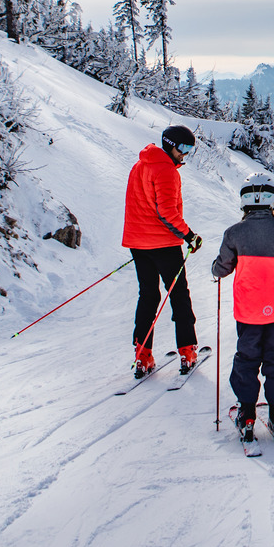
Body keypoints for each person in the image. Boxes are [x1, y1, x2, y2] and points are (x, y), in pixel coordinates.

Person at [212, 174, 274, 442]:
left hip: (248, 311)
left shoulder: (234, 232)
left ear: (244, 202)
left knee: (247, 359)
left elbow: (222, 267)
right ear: (272, 202)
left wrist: (215, 269)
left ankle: (247, 414)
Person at [121, 125, 203, 377]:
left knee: (148, 296)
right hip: (164, 245)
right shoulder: (167, 171)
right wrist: (189, 236)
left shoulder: (140, 165)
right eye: (184, 148)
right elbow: (167, 212)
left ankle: (142, 355)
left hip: (138, 244)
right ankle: (187, 350)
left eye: (190, 149)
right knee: (178, 295)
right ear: (171, 144)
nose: (186, 154)